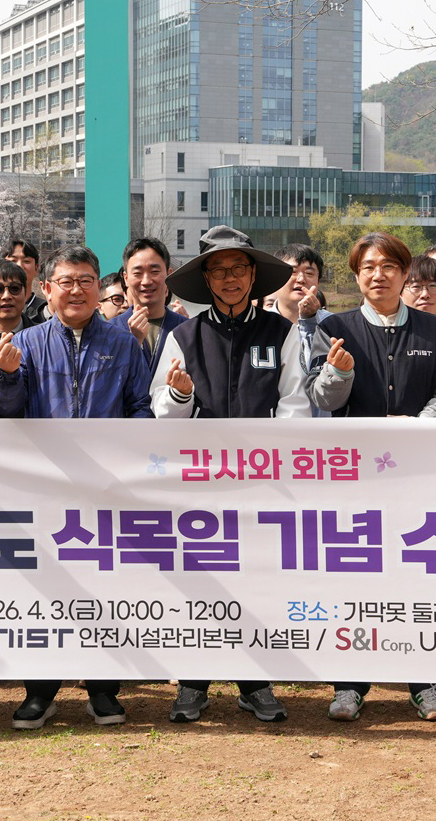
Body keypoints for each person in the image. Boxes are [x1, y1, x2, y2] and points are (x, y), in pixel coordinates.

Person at [149, 226, 308, 725]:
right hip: (200, 484)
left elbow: (295, 404)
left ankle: (255, 683)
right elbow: (163, 415)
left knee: (257, 581)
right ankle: (193, 682)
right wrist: (178, 394)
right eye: (219, 270)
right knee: (201, 580)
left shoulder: (282, 333)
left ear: (254, 275)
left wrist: (268, 461)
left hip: (263, 481)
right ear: (206, 279)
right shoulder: (183, 335)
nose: (230, 278)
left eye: (239, 269)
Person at [0, 245, 150, 729]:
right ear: (47, 289)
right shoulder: (29, 341)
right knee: (44, 592)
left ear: (100, 288)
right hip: (45, 490)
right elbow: (7, 411)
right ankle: (40, 692)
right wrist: (7, 373)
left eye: (86, 280)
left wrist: (125, 459)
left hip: (107, 490)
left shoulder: (123, 344)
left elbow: (141, 406)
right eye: (66, 281)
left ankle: (103, 690)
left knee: (105, 590)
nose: (76, 290)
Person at [306, 232, 436, 724]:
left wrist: (418, 427)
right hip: (354, 478)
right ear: (356, 275)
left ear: (404, 272)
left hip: (422, 475)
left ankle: (425, 682)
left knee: (420, 578)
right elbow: (321, 399)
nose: (379, 275)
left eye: (389, 266)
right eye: (368, 267)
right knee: (355, 577)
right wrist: (339, 373)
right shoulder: (334, 328)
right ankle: (350, 683)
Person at [118, 237, 190, 372]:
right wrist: (133, 344)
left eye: (154, 272)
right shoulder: (111, 330)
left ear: (169, 275)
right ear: (126, 278)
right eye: (138, 273)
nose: (146, 281)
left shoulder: (187, 329)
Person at [269, 243, 329, 342]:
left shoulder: (333, 323)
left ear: (318, 281)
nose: (301, 279)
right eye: (292, 272)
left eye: (309, 273)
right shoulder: (258, 324)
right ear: (276, 278)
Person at [7, 239, 50, 328]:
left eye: (26, 261)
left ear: (36, 268)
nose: (19, 266)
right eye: (13, 261)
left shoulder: (46, 311)